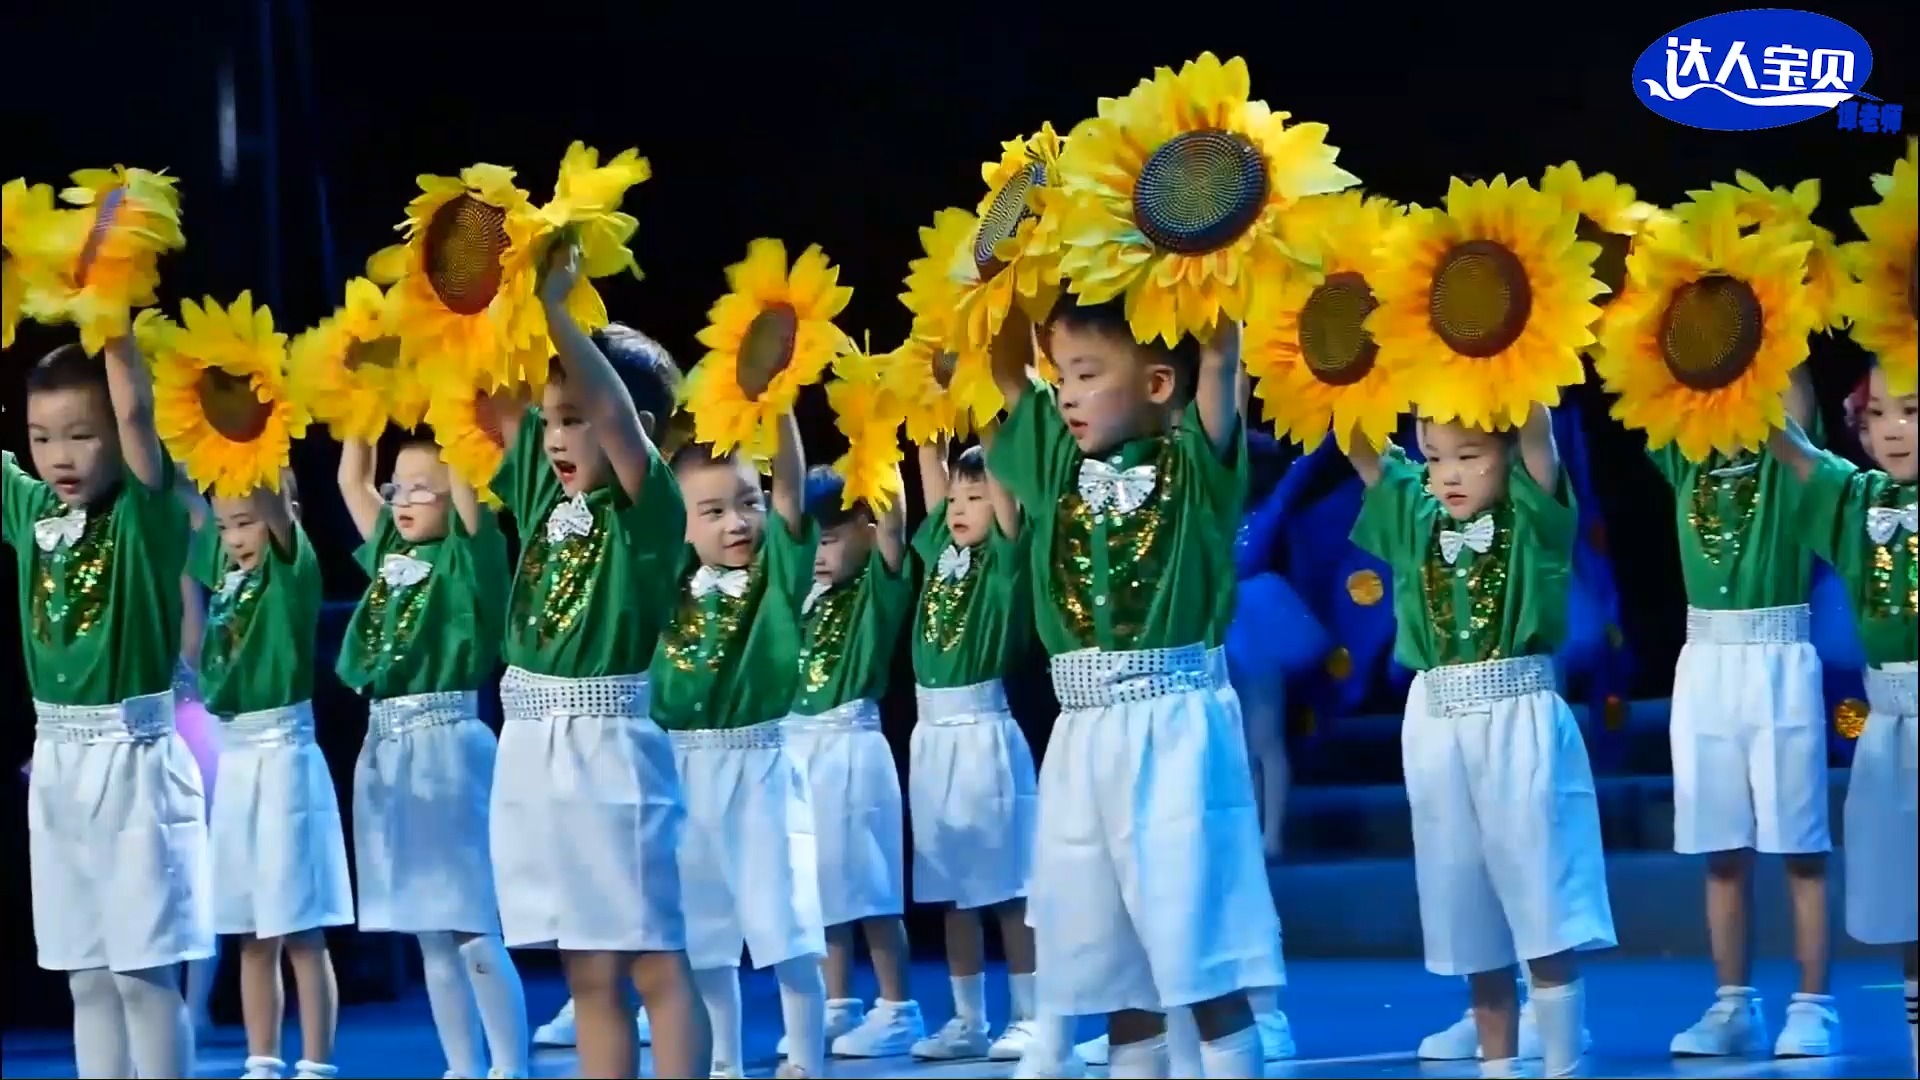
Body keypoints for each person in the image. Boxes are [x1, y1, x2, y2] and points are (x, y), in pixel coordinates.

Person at [985, 300, 1282, 1079]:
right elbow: (1004, 368)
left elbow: (1218, 357)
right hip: (1084, 735)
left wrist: (1198, 255)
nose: (1067, 394)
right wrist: (1014, 270)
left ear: (1156, 383)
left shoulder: (1194, 467)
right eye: (1061, 379)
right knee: (1112, 962)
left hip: (1175, 727)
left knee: (1199, 944)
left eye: (1086, 375)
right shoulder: (1057, 469)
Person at [485, 247, 710, 1079]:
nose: (558, 436)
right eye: (553, 419)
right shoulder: (545, 495)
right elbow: (501, 396)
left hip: (608, 743)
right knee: (586, 966)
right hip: (533, 742)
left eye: (574, 417)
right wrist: (506, 290)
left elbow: (615, 416)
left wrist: (557, 312)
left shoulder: (650, 508)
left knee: (650, 955)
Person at [1347, 405, 1615, 1080]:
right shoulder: (1416, 514)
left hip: (1516, 717)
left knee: (1541, 896)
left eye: (1470, 456)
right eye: (1435, 457)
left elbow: (1537, 430)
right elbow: (1359, 440)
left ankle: (1562, 1059)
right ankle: (1497, 1064)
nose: (1450, 475)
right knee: (1465, 907)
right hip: (1438, 726)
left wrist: (1503, 346)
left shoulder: (1531, 513)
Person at [8, 339, 212, 1079]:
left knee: (140, 975)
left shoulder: (146, 513)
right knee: (86, 978)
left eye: (81, 434)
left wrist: (114, 315)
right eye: (41, 437)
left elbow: (135, 406)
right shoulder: (28, 507)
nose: (58, 455)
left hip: (134, 766)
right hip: (59, 769)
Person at [335, 433, 529, 1079]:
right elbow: (349, 481)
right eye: (398, 488)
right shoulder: (392, 552)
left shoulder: (472, 557)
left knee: (472, 921)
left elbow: (472, 497)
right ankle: (460, 1067)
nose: (403, 500)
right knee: (428, 932)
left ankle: (508, 1065)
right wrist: (358, 409)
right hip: (388, 750)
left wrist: (459, 419)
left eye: (424, 488)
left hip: (448, 747)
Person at [1657, 374, 1839, 1059]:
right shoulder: (1683, 450)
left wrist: (1757, 294)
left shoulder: (1784, 450)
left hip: (1778, 655)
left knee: (1800, 846)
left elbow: (1793, 390)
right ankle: (1734, 1004)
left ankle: (1814, 1004)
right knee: (1721, 849)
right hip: (1705, 660)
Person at [650, 418, 831, 1080]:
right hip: (680, 768)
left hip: (758, 766)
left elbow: (789, 488)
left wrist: (779, 408)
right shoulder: (667, 580)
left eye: (746, 503)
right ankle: (721, 1061)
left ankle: (806, 1061)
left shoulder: (776, 577)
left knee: (784, 922)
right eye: (714, 510)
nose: (736, 523)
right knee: (703, 934)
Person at [1770, 365, 1917, 1072]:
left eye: (1912, 412)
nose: (1893, 430)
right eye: (1880, 414)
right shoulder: (1858, 498)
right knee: (1906, 907)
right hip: (1890, 726)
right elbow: (1795, 450)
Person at [194, 473, 354, 1080]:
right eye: (226, 524)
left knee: (300, 929)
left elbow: (269, 506)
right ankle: (261, 1059)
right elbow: (191, 494)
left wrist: (249, 445)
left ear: (285, 511)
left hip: (284, 759)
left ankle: (316, 1062)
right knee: (250, 932)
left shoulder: (291, 573)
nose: (236, 537)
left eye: (248, 521)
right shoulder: (228, 575)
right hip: (236, 763)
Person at [904, 438, 1050, 1065]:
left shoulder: (1006, 557)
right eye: (956, 496)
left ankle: (1031, 1013)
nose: (960, 507)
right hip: (930, 738)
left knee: (1007, 886)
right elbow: (931, 467)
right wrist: (930, 415)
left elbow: (1010, 498)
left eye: (978, 495)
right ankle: (968, 1019)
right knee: (950, 889)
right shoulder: (940, 549)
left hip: (984, 730)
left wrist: (998, 422)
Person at [779, 464, 924, 1059]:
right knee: (818, 888)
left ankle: (898, 1007)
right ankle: (837, 1002)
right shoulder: (801, 596)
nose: (818, 552)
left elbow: (894, 528)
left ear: (865, 529)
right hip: (798, 746)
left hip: (850, 748)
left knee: (869, 888)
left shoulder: (876, 589)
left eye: (832, 537)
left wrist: (877, 451)